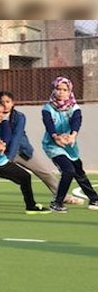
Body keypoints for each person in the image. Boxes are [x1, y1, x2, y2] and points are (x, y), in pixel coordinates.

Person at [0, 91, 84, 206]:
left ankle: (62, 197)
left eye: (8, 101)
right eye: (2, 102)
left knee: (45, 173)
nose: (5, 104)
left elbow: (17, 137)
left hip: (22, 151)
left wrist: (10, 157)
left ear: (13, 103)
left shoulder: (19, 117)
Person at [0, 100, 51, 216]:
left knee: (25, 177)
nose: (1, 115)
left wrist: (3, 143)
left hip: (0, 162)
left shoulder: (4, 123)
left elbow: (7, 136)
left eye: (3, 112)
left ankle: (31, 206)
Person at [41, 77, 98, 212]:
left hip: (70, 145)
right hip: (52, 145)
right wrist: (56, 137)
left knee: (78, 170)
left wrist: (72, 135)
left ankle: (94, 199)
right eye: (58, 89)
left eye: (64, 90)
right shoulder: (47, 108)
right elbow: (49, 124)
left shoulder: (74, 107)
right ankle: (57, 202)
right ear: (54, 90)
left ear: (69, 91)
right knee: (68, 170)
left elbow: (76, 121)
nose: (61, 92)